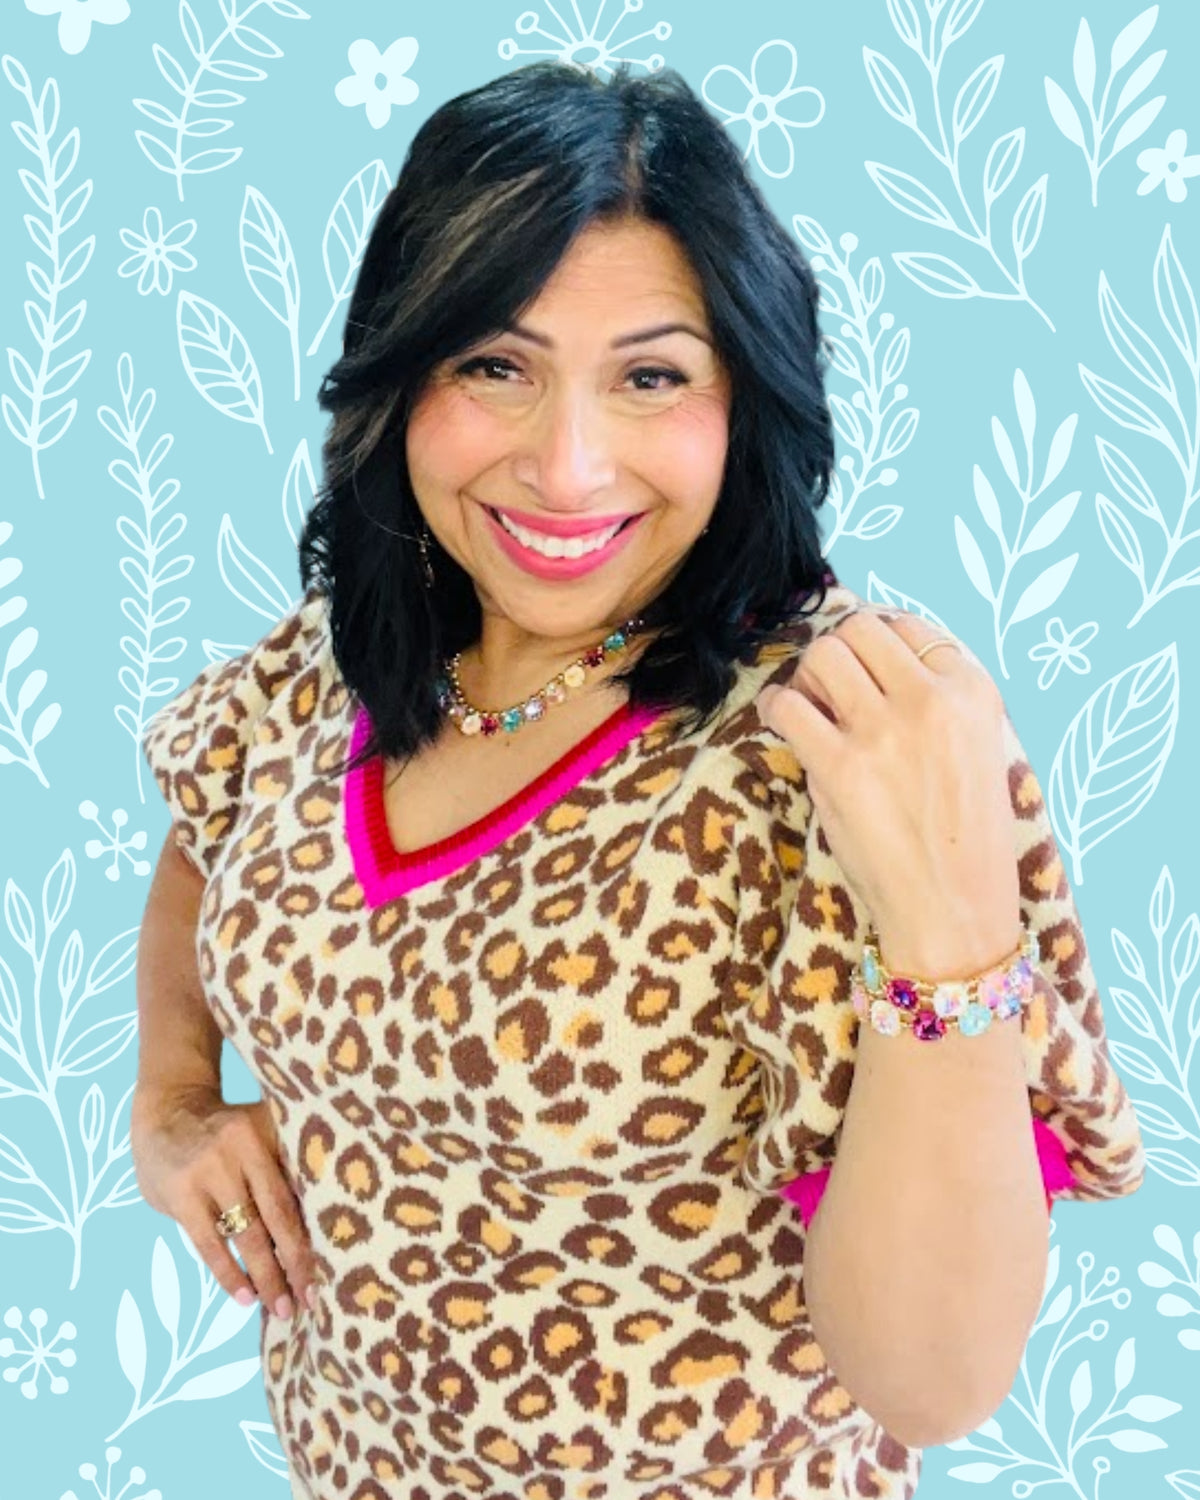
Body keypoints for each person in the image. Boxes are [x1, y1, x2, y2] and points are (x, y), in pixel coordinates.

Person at [131, 60, 1144, 1500]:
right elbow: (205, 842)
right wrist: (172, 1102)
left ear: (750, 401)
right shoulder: (339, 660)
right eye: (495, 365)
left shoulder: (836, 743)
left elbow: (934, 1378)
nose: (567, 464)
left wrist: (953, 922)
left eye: (652, 376)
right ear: (401, 371)